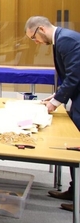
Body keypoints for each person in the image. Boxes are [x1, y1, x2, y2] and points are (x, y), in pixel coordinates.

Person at [25, 16, 80, 212]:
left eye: (34, 38)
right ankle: (75, 191)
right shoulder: (62, 39)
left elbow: (75, 75)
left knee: (77, 145)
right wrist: (55, 96)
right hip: (76, 96)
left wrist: (56, 102)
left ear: (41, 29)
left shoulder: (66, 40)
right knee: (74, 145)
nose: (36, 43)